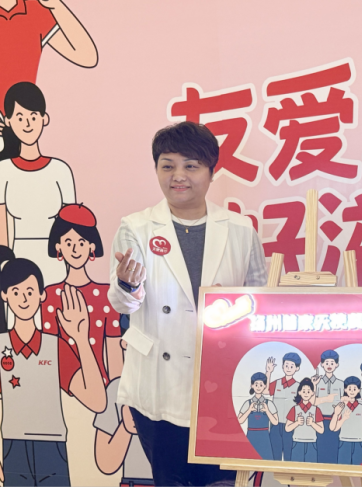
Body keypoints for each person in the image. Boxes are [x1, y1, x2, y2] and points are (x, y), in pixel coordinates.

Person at [108, 121, 267, 487]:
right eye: (167, 166)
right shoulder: (136, 227)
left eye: (190, 165)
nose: (178, 176)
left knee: (222, 481)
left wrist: (238, 311)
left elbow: (261, 298)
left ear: (211, 171)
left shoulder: (240, 229)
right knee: (171, 480)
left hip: (223, 382)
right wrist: (128, 284)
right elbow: (123, 304)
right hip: (157, 384)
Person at [0, 249, 106, 486]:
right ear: (4, 295)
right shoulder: (1, 346)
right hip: (13, 445)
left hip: (52, 446)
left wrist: (81, 339)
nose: (24, 299)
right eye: (16, 292)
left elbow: (97, 402)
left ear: (41, 295)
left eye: (30, 291)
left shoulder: (55, 346)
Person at [0, 82, 76, 286]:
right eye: (20, 117)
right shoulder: (3, 171)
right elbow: (2, 232)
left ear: (44, 118)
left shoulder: (61, 170)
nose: (27, 124)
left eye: (33, 116)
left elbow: (71, 225)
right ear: (8, 121)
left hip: (56, 262)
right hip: (18, 262)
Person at [42, 204, 123, 385]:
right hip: (61, 386)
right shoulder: (50, 295)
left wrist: (115, 393)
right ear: (58, 247)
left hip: (101, 384)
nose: (75, 249)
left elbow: (114, 354)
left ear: (91, 246)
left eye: (81, 243)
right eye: (68, 243)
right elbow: (49, 351)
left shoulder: (106, 295)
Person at [94, 334, 154, 486]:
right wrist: (125, 429)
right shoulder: (116, 389)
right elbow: (105, 463)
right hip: (133, 481)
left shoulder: (176, 388)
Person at [265, 353, 301, 461]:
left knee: (289, 454)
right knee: (275, 453)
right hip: (276, 424)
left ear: (297, 368)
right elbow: (266, 391)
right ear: (282, 366)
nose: (288, 368)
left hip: (291, 424)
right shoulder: (277, 383)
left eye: (292, 366)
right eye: (286, 365)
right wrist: (268, 372)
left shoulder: (299, 386)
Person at [330, 376, 362, 465]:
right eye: (349, 389)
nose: (352, 391)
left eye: (354, 389)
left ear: (359, 390)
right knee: (342, 469)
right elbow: (333, 428)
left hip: (359, 443)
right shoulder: (340, 406)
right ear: (345, 390)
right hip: (344, 442)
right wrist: (340, 416)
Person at [237, 372, 279, 461]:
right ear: (252, 385)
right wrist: (249, 410)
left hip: (264, 437)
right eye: (256, 384)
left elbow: (275, 422)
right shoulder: (248, 403)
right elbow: (240, 420)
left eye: (261, 384)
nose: (258, 387)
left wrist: (267, 411)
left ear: (265, 386)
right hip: (251, 436)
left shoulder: (269, 403)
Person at [311, 349, 343, 463]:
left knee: (334, 446)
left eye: (332, 363)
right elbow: (312, 402)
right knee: (320, 447)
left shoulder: (341, 383)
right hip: (320, 420)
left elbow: (343, 403)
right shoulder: (317, 382)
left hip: (335, 420)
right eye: (327, 363)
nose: (329, 365)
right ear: (322, 364)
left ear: (337, 365)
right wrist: (314, 385)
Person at [285, 377, 324, 463]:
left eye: (308, 391)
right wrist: (297, 423)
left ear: (312, 393)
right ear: (299, 392)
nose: (306, 394)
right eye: (303, 391)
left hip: (312, 443)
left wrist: (312, 423)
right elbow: (287, 428)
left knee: (311, 467)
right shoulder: (294, 409)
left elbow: (321, 430)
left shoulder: (316, 409)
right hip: (297, 442)